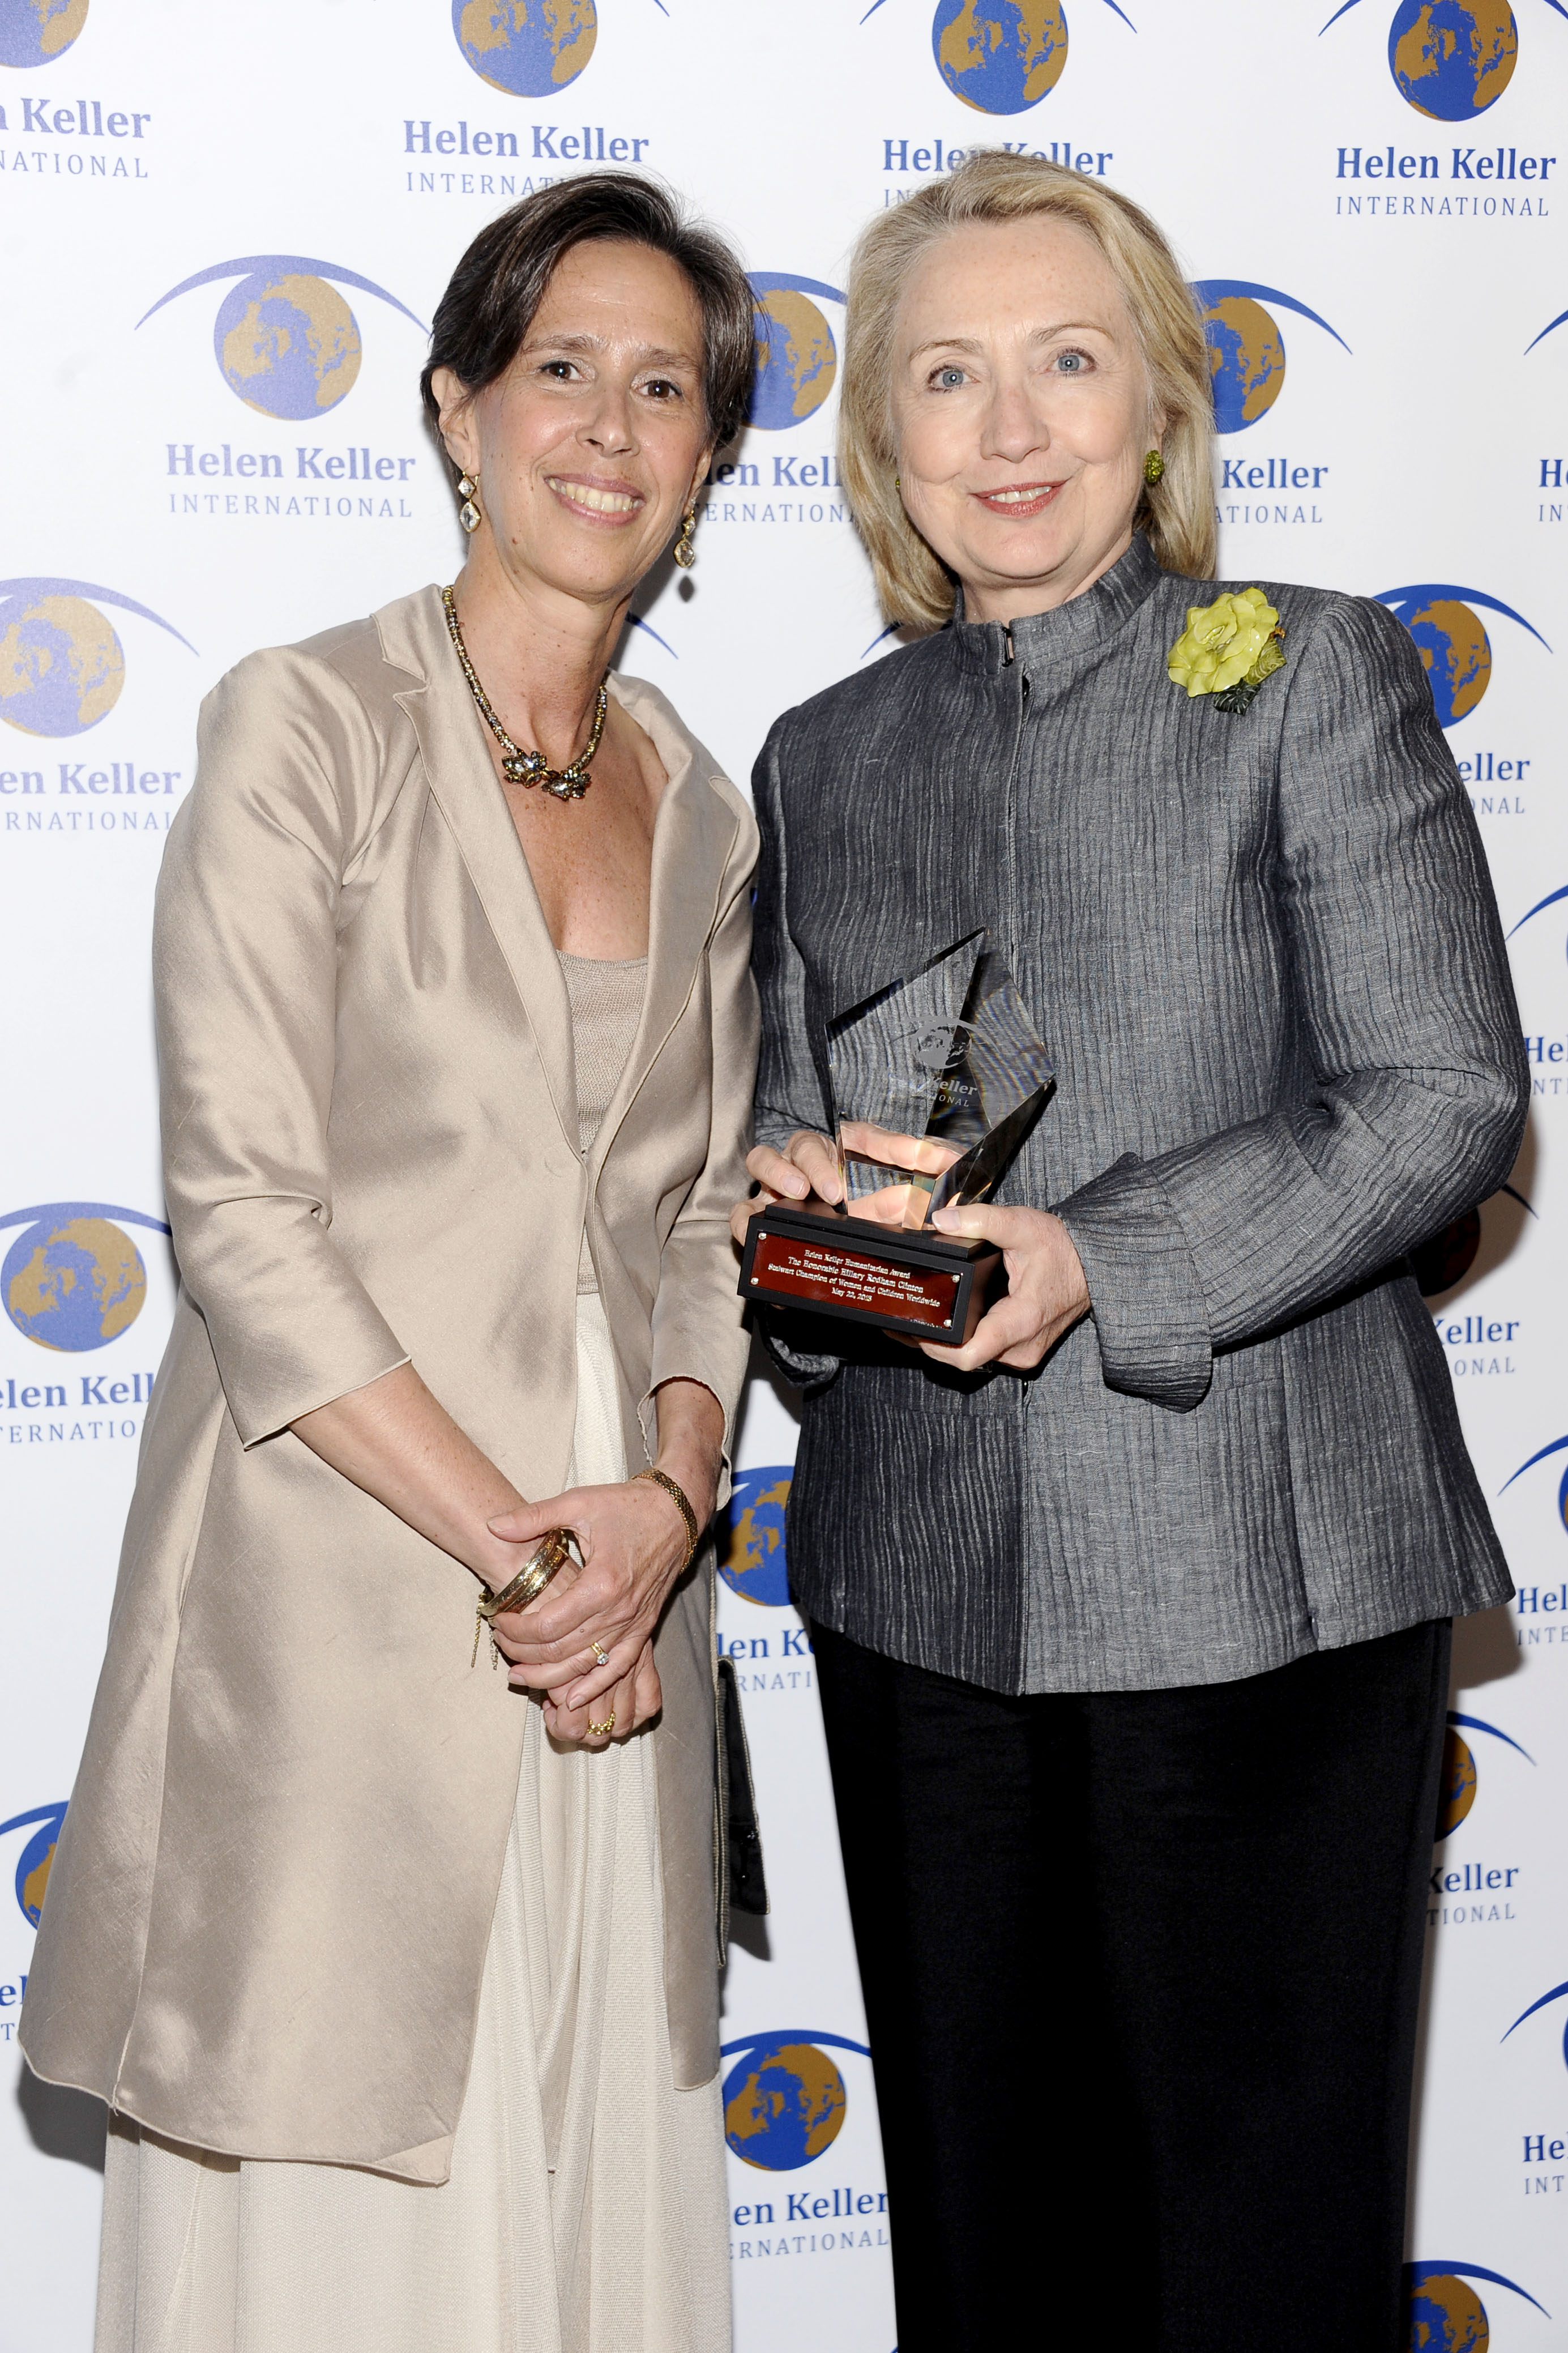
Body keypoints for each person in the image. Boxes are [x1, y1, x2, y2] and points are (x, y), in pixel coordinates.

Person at [736, 152, 1526, 2353]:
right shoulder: (823, 756)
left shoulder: (1308, 677)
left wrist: (1097, 1253)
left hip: (1254, 1592)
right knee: (993, 2269)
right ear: (883, 443)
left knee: (1254, 2271)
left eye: (1065, 364)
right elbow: (810, 1165)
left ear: (1160, 405)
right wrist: (815, 1233)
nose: (1009, 430)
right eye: (949, 378)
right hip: (918, 1607)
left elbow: (1446, 1098)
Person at [23, 172, 760, 2353]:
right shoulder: (302, 726)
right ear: (455, 410)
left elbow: (710, 1215)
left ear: (711, 458)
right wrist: (535, 1569)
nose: (610, 426)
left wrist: (663, 1506)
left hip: (618, 1657)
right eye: (560, 370)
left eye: (665, 387)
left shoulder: (705, 802)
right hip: (348, 1619)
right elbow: (245, 1219)